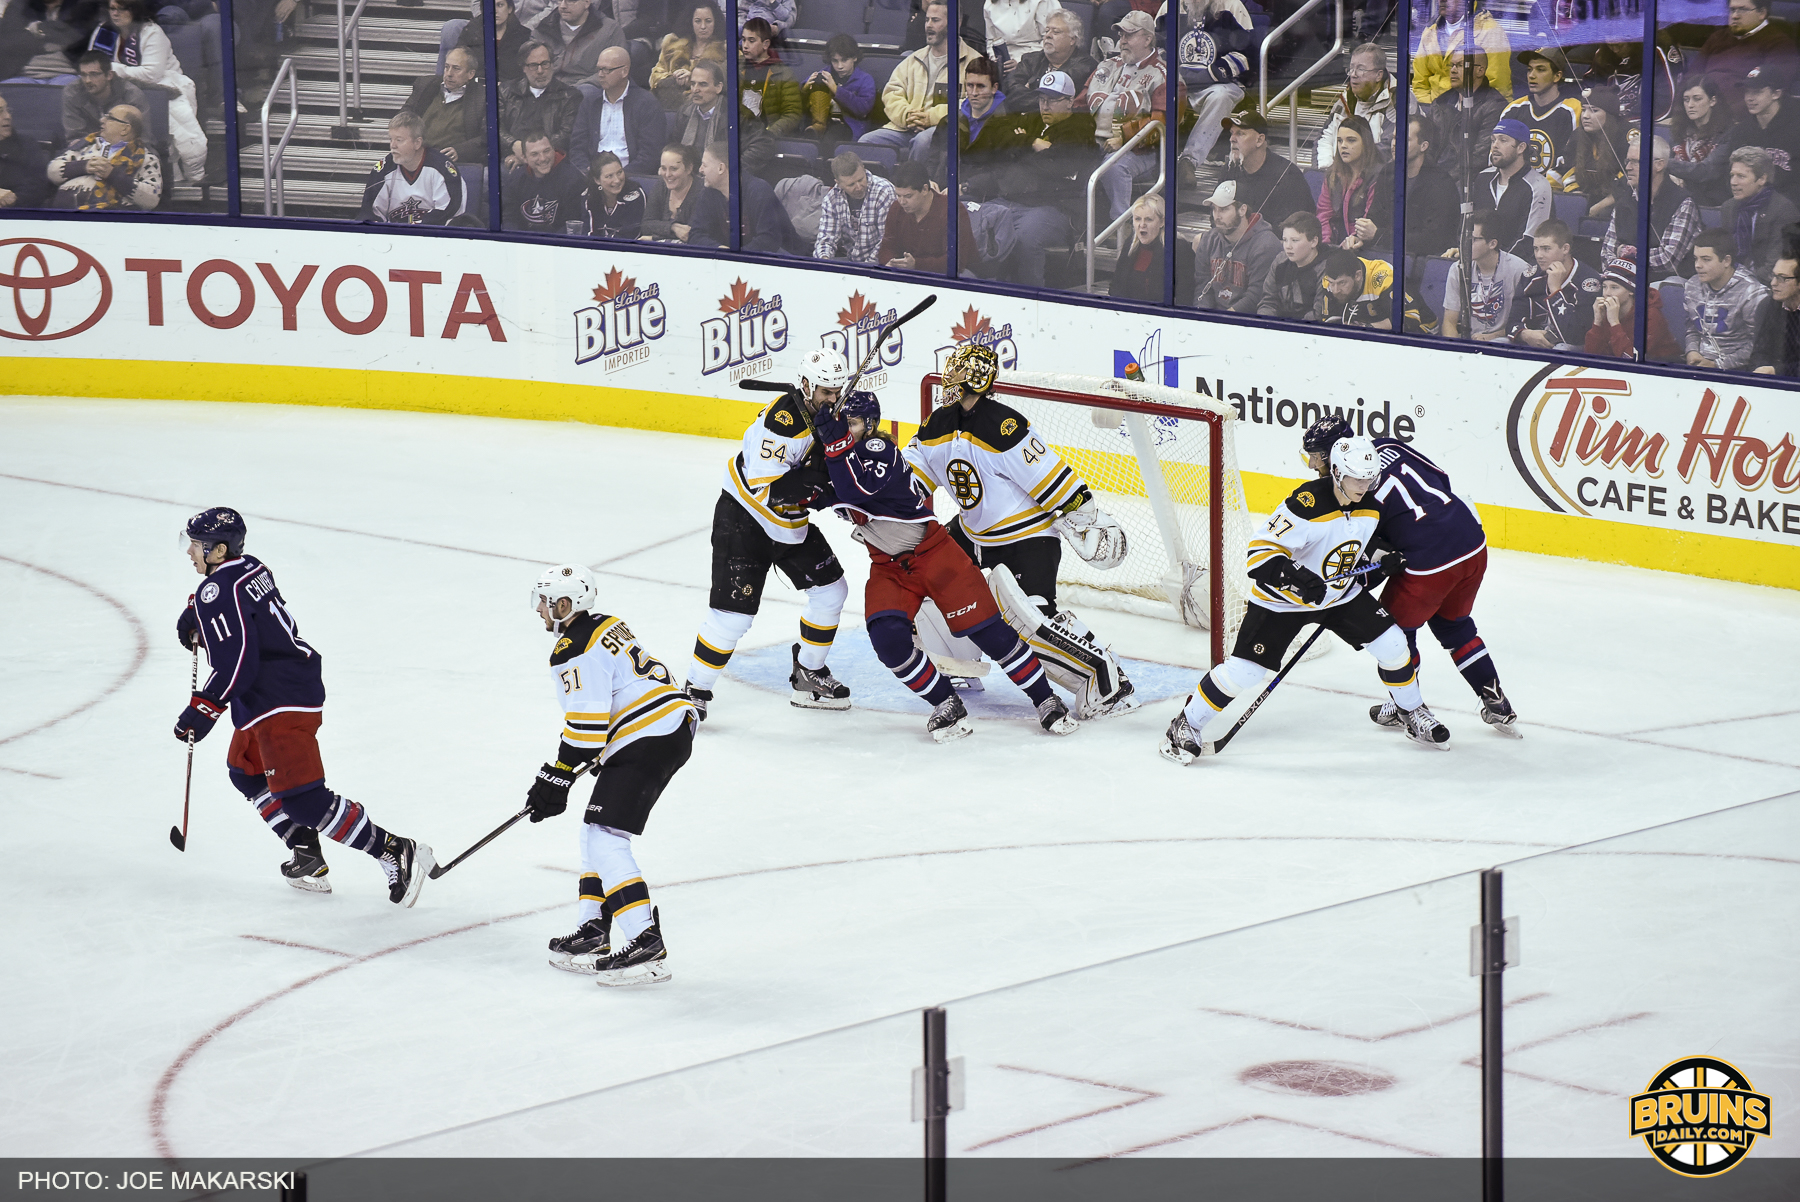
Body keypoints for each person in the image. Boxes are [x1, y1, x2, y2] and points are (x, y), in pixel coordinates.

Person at [173, 507, 432, 904]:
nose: (190, 552)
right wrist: (197, 615)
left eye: (196, 545)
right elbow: (247, 611)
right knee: (245, 770)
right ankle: (306, 852)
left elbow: (238, 660)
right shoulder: (250, 567)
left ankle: (393, 848)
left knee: (303, 798)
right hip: (284, 687)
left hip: (279, 699)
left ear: (219, 550)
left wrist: (203, 709)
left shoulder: (218, 591)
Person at [1161, 434, 1450, 763]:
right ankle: (1185, 723)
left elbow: (1358, 548)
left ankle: (1410, 711)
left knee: (1395, 645)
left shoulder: (1370, 506)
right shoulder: (1306, 504)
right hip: (1281, 601)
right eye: (1357, 477)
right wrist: (1295, 578)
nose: (1365, 485)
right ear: (1338, 473)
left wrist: (1382, 560)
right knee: (1246, 672)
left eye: (1371, 479)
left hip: (1338, 597)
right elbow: (1259, 554)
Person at [811, 390, 1079, 740]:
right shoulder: (838, 455)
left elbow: (856, 488)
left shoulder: (881, 451)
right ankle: (945, 702)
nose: (846, 429)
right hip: (888, 568)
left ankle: (1046, 700)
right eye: (842, 424)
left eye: (854, 423)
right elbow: (816, 488)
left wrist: (834, 445)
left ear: (871, 425)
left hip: (935, 554)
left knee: (988, 631)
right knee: (887, 639)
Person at [906, 343, 1140, 719]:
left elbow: (1050, 476)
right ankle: (958, 662)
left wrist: (1082, 515)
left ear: (978, 379)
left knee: (1033, 623)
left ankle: (1110, 684)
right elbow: (912, 475)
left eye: (958, 372)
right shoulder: (939, 422)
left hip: (1026, 540)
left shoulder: (1004, 426)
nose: (949, 378)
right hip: (973, 535)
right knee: (917, 576)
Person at [528, 564, 694, 986]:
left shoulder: (572, 649)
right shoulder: (606, 624)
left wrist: (556, 775)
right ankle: (593, 930)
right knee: (594, 831)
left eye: (546, 603)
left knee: (605, 835)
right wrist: (561, 775)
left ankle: (644, 944)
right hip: (664, 725)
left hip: (648, 733)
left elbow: (586, 728)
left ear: (566, 605)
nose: (540, 611)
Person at [1300, 417, 1517, 737]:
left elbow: (1368, 565)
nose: (1312, 464)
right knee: (1453, 625)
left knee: (1392, 634)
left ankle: (1409, 706)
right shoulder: (1389, 444)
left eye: (1317, 455)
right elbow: (1442, 480)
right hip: (1472, 544)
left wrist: (1348, 583)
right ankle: (1496, 701)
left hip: (1431, 566)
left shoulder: (1346, 492)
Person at [682, 348, 853, 721]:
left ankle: (809, 670)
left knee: (831, 591)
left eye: (837, 390)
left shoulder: (829, 413)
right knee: (733, 617)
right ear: (806, 385)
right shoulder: (782, 424)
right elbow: (772, 491)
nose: (833, 398)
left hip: (789, 523)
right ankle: (694, 690)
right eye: (826, 390)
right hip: (746, 519)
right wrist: (826, 486)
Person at [970, 68, 1097, 287]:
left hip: (1054, 206)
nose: (1045, 106)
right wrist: (1031, 143)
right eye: (1041, 99)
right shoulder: (1032, 120)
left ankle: (1032, 297)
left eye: (1053, 100)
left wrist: (1020, 147)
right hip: (1011, 199)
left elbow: (1052, 167)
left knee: (1023, 240)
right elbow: (1000, 139)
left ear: (1069, 102)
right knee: (975, 225)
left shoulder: (1079, 128)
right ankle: (984, 290)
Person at [862, 0, 979, 160]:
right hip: (906, 126)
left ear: (955, 23)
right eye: (927, 20)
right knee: (866, 142)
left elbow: (972, 103)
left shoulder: (974, 62)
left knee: (922, 141)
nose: (928, 25)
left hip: (943, 129)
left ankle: (917, 185)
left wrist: (931, 117)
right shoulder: (913, 59)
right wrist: (907, 115)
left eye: (935, 20)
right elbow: (891, 93)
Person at [100, 0, 205, 180]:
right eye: (112, 9)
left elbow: (151, 75)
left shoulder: (152, 32)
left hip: (163, 87)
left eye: (122, 8)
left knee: (174, 122)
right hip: (121, 88)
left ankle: (177, 175)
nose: (115, 13)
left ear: (134, 10)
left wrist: (114, 69)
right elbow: (96, 66)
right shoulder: (105, 31)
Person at [1088, 10, 1168, 225]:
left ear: (1148, 39)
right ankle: (1081, 229)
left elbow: (1162, 124)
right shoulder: (1106, 65)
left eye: (1129, 35)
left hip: (1142, 150)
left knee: (1114, 166)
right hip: (1095, 141)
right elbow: (1078, 104)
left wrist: (1124, 139)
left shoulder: (1163, 74)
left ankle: (1121, 229)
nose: (1122, 41)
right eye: (1120, 35)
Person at [1174, 0, 1256, 191]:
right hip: (1179, 84)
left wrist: (1211, 74)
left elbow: (1247, 52)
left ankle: (1188, 162)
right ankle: (1159, 162)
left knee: (1221, 96)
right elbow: (1158, 47)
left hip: (1218, 84)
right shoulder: (1170, 7)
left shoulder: (1230, 7)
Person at [1602, 134, 1700, 283]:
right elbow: (1607, 252)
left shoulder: (1683, 203)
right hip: (1625, 280)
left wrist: (1625, 254)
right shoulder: (1625, 199)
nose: (1628, 167)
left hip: (1662, 284)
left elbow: (1667, 260)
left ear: (1659, 165)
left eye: (1635, 162)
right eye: (1627, 161)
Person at [570, 45, 667, 175]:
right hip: (593, 177)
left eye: (606, 70)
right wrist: (589, 173)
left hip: (631, 176)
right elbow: (577, 147)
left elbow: (650, 155)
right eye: (599, 69)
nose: (600, 75)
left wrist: (618, 176)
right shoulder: (590, 102)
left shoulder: (647, 104)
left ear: (624, 71)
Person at [359, 111, 470, 224]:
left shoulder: (441, 168)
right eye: (390, 139)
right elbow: (370, 214)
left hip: (432, 237)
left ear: (417, 143)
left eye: (399, 140)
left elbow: (448, 213)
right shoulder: (383, 170)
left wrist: (417, 229)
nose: (392, 145)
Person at [1506, 219, 1600, 350]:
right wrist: (1525, 334)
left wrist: (1555, 291)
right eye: (1536, 249)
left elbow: (1577, 336)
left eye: (1546, 249)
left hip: (1569, 347)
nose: (1539, 255)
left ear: (1565, 249)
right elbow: (1512, 322)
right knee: (1499, 343)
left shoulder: (1589, 282)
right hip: (1532, 342)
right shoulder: (1530, 276)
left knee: (1561, 349)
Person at [47, 102, 161, 209]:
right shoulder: (85, 146)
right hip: (63, 215)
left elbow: (151, 199)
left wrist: (112, 174)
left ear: (125, 129)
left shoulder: (147, 158)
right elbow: (52, 171)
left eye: (110, 118)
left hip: (110, 220)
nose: (102, 120)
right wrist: (84, 166)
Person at [1684, 227, 1770, 370]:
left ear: (1726, 260)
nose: (1698, 265)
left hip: (1738, 370)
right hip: (1701, 365)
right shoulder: (1692, 285)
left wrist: (1718, 364)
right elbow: (1692, 328)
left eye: (1706, 259)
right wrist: (1692, 351)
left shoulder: (1752, 292)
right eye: (1696, 258)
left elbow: (1759, 344)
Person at [1500, 46, 1582, 193]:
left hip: (1554, 193)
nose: (1532, 75)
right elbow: (1497, 153)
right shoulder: (1514, 109)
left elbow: (1573, 159)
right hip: (1513, 189)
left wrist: (1538, 187)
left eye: (1541, 70)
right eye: (1529, 69)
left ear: (1557, 76)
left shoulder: (1572, 110)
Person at [1442, 208, 1530, 341]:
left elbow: (1526, 324)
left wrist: (1491, 336)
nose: (1465, 244)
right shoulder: (1458, 269)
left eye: (1473, 240)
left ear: (1492, 244)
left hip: (1505, 341)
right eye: (1464, 237)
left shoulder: (1520, 270)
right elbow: (1449, 322)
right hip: (1469, 340)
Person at [1193, 179, 1280, 312]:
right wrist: (1203, 316)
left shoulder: (1265, 245)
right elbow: (1203, 288)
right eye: (1214, 209)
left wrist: (1224, 320)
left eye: (1223, 209)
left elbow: (1257, 295)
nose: (1217, 216)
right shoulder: (1208, 240)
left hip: (1247, 322)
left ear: (1242, 210)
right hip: (1215, 319)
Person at [1693, 0, 1800, 108]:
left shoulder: (1780, 45)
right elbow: (1690, 79)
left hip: (1736, 117)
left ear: (1762, 13)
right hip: (1700, 111)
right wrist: (1680, 114)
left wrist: (1721, 116)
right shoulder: (1717, 38)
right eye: (1732, 10)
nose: (1735, 16)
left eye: (1743, 10)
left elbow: (1768, 93)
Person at [1718, 145, 1800, 283]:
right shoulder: (1729, 208)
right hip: (1732, 280)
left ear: (1762, 179)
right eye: (1732, 175)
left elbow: (1774, 266)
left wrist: (1739, 283)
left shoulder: (1783, 211)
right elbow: (1724, 254)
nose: (1733, 182)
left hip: (1767, 285)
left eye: (1741, 176)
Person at [1219, 109, 1314, 227]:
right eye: (1232, 133)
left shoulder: (1288, 176)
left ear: (1259, 140)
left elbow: (1293, 230)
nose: (1232, 139)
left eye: (1240, 134)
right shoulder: (1229, 170)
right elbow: (1216, 216)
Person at [674, 61, 771, 175]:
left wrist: (732, 170)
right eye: (693, 84)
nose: (695, 89)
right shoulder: (684, 113)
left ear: (718, 87)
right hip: (691, 179)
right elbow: (675, 148)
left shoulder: (737, 114)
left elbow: (763, 144)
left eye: (703, 84)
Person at [702, 140, 799, 252]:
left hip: (780, 261)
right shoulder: (709, 191)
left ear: (721, 168)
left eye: (705, 165)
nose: (700, 170)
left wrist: (735, 258)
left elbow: (769, 240)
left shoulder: (759, 191)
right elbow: (696, 234)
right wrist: (719, 250)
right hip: (733, 261)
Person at [1585, 248, 1682, 361]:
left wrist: (1614, 323)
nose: (1607, 293)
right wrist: (1597, 322)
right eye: (1605, 287)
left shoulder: (1651, 316)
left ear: (1631, 290)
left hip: (1660, 367)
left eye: (1614, 287)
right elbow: (1590, 357)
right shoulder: (1606, 311)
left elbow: (1631, 359)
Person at [1474, 117, 1551, 257]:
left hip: (1518, 267)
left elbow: (1528, 240)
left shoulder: (1538, 186)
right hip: (1481, 262)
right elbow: (1470, 225)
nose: (1495, 146)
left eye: (1503, 140)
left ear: (1521, 147)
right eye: (1493, 140)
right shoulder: (1482, 179)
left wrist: (1496, 264)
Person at [879, 159, 973, 272]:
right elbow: (887, 246)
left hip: (950, 276)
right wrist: (890, 262)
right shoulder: (897, 208)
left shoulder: (953, 210)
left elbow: (957, 261)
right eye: (898, 195)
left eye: (908, 196)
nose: (902, 202)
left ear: (924, 189)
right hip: (907, 272)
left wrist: (917, 265)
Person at [1315, 114, 1390, 254]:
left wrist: (1353, 240)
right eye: (1339, 141)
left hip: (1362, 247)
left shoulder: (1380, 176)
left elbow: (1370, 219)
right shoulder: (1333, 174)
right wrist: (1326, 246)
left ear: (1365, 143)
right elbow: (1324, 215)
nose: (1343, 146)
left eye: (1351, 140)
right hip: (1334, 247)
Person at [401, 45, 487, 165]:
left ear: (470, 74)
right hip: (419, 157)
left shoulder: (482, 97)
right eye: (446, 67)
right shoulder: (427, 85)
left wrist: (461, 151)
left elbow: (487, 135)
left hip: (454, 163)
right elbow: (404, 116)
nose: (449, 73)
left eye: (456, 69)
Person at [1726, 63, 1800, 204]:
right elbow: (1729, 174)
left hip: (1790, 208)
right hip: (1750, 204)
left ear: (1776, 93)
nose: (1749, 98)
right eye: (1747, 92)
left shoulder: (1796, 128)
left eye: (1757, 92)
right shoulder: (1741, 132)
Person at [1411, 0, 1511, 103]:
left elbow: (1498, 86)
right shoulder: (1430, 31)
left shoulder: (1490, 31)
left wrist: (1470, 114)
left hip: (1473, 112)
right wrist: (1430, 108)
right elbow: (1419, 83)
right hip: (1434, 109)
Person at [1425, 48, 1504, 177]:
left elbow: (1479, 158)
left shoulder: (1493, 106)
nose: (1453, 70)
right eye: (1452, 65)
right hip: (1434, 178)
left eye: (1461, 65)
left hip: (1465, 182)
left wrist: (1444, 182)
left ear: (1480, 71)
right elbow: (1426, 144)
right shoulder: (1441, 103)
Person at [1315, 43, 1396, 169]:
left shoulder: (1399, 101)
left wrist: (1349, 170)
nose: (1353, 74)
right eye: (1351, 68)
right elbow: (1324, 138)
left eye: (1361, 69)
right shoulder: (1346, 98)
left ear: (1378, 75)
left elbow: (1390, 148)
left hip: (1377, 180)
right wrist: (1327, 171)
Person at [501, 40, 582, 165]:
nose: (540, 71)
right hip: (510, 155)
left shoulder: (569, 96)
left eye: (545, 64)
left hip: (549, 160)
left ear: (552, 64)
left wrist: (530, 155)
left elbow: (565, 135)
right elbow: (491, 127)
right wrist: (513, 145)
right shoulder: (505, 91)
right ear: (524, 68)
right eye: (533, 65)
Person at [1007, 8, 1095, 114]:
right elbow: (1010, 95)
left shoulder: (1086, 67)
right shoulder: (1030, 60)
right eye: (1047, 30)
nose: (1048, 35)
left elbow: (1058, 100)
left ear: (1072, 40)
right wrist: (1044, 96)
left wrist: (1031, 87)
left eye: (1056, 32)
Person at [814, 151, 897, 263]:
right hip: (850, 261)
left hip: (878, 263)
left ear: (863, 169)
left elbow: (886, 241)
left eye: (860, 180)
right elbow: (826, 239)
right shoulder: (831, 198)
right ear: (838, 183)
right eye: (851, 184)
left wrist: (865, 268)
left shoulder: (884, 191)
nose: (858, 187)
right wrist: (825, 261)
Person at [639, 141, 726, 244]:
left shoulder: (703, 191)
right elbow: (646, 225)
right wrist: (673, 227)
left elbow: (690, 235)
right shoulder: (661, 185)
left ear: (689, 168)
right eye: (663, 168)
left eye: (674, 169)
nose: (667, 174)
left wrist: (653, 238)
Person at [1666, 75, 1733, 208]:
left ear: (1712, 101)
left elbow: (1706, 171)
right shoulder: (1679, 132)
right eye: (1686, 100)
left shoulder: (1727, 134)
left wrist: (1665, 165)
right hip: (1679, 201)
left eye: (1697, 99)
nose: (1690, 105)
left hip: (1712, 203)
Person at [503, 128, 588, 231]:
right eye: (535, 154)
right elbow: (509, 219)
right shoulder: (515, 179)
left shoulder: (573, 180)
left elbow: (572, 224)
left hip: (559, 243)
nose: (542, 158)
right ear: (524, 158)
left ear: (554, 150)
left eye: (546, 151)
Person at [801, 33, 878, 143]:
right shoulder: (823, 74)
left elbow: (863, 109)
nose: (839, 66)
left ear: (855, 58)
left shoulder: (865, 79)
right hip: (817, 124)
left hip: (847, 125)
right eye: (835, 61)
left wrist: (837, 90)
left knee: (829, 139)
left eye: (844, 60)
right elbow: (796, 104)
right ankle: (819, 125)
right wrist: (804, 90)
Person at [1111, 194, 1189, 302]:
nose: (1142, 225)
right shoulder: (1130, 244)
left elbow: (1184, 296)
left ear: (1162, 222)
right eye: (1137, 219)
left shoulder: (1178, 248)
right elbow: (1116, 287)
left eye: (1148, 220)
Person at [649, 1, 725, 109]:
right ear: (691, 22)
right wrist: (674, 76)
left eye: (708, 21)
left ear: (715, 22)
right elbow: (655, 77)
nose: (703, 26)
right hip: (669, 104)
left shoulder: (726, 50)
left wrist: (692, 79)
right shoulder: (672, 43)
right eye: (698, 21)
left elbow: (726, 83)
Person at [63, 48, 148, 143]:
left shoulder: (132, 96)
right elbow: (75, 137)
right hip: (88, 151)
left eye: (94, 74)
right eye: (83, 75)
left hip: (125, 152)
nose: (87, 80)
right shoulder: (73, 93)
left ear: (109, 75)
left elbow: (143, 139)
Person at [1569, 85, 1628, 217]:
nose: (1585, 116)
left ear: (1610, 115)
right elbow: (1565, 169)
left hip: (1616, 202)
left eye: (1594, 111)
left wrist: (1601, 205)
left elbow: (1632, 179)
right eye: (1584, 110)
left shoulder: (1626, 136)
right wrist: (1574, 195)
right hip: (1585, 197)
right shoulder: (1577, 136)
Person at [739, 16, 803, 139]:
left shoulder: (784, 74)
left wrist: (770, 134)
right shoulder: (734, 67)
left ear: (766, 44)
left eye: (751, 41)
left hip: (766, 138)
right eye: (743, 39)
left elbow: (793, 114)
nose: (745, 45)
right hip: (739, 135)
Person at [1405, 117, 1460, 257]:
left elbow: (1434, 239)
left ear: (1423, 146)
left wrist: (1379, 235)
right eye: (1394, 138)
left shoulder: (1441, 183)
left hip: (1424, 262)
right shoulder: (1387, 173)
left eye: (1405, 139)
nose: (1395, 143)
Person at [1258, 210, 1326, 320]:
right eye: (1284, 240)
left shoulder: (1326, 268)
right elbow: (1268, 301)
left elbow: (1319, 312)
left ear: (1313, 241)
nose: (1288, 246)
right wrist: (1266, 322)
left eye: (1295, 240)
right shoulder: (1280, 261)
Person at [540, 0, 624, 87]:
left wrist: (576, 88)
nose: (562, 6)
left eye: (570, 1)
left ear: (587, 2)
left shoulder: (610, 30)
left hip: (588, 89)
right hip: (547, 87)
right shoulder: (544, 27)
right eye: (560, 0)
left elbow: (614, 71)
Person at [984, 0, 1061, 87]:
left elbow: (1051, 41)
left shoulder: (1042, 2)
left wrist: (1020, 62)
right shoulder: (989, 4)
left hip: (1035, 59)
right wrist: (996, 60)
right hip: (1003, 63)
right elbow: (990, 40)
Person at [1316, 251, 1398, 329]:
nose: (1336, 290)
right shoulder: (1327, 282)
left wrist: (1366, 328)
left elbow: (1407, 318)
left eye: (1342, 283)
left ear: (1357, 275)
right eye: (1332, 283)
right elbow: (1328, 320)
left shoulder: (1384, 279)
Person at [0, 96, 53, 209]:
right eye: (0, 112)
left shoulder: (26, 144)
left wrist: (14, 199)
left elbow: (38, 187)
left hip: (17, 214)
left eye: (8, 111)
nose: (8, 117)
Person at [458, 0, 530, 83]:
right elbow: (458, 62)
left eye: (500, 5)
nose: (494, 11)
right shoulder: (470, 31)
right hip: (475, 88)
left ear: (509, 9)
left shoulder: (523, 36)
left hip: (511, 91)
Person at [1750, 255, 1800, 373]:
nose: (1773, 283)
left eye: (1782, 278)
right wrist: (1760, 368)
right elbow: (1759, 351)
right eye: (1773, 276)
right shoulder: (1767, 305)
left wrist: (1777, 371)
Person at [585, 149, 645, 237]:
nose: (617, 180)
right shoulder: (589, 198)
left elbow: (631, 235)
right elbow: (586, 233)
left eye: (619, 172)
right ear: (597, 180)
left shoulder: (635, 195)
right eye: (609, 176)